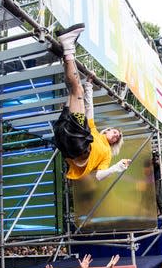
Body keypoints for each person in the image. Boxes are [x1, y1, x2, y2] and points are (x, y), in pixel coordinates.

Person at [54, 23, 131, 181]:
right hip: (68, 139)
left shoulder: (107, 153)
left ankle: (67, 47)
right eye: (115, 132)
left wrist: (116, 168)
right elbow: (90, 110)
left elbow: (99, 176)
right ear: (107, 130)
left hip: (78, 145)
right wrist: (89, 85)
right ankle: (66, 53)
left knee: (76, 91)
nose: (116, 135)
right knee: (76, 91)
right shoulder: (93, 131)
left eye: (117, 137)